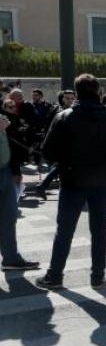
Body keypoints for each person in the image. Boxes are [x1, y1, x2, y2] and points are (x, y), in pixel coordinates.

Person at [34, 74, 106, 290]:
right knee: (99, 231)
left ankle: (55, 276)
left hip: (73, 180)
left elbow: (48, 152)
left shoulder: (65, 116)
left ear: (76, 92)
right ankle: (98, 276)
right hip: (104, 181)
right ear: (97, 90)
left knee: (64, 231)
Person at [0, 113, 39, 271]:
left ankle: (11, 258)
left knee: (9, 217)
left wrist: (15, 170)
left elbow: (11, 144)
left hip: (6, 172)